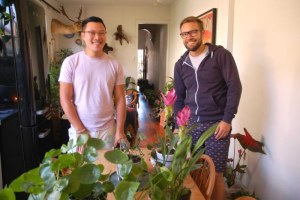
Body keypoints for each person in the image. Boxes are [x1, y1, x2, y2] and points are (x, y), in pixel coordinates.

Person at [173, 16, 242, 200]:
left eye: (193, 32)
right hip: (192, 125)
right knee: (194, 170)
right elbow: (179, 97)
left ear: (202, 33)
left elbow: (234, 87)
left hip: (216, 126)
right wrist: (178, 125)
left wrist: (227, 119)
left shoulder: (220, 55)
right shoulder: (181, 65)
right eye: (185, 33)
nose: (189, 37)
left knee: (216, 173)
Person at [59, 16, 128, 149]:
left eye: (101, 33)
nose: (97, 37)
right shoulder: (71, 62)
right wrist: (80, 130)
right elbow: (65, 99)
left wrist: (119, 131)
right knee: (78, 169)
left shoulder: (115, 64)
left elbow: (120, 99)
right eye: (92, 32)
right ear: (83, 35)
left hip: (107, 131)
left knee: (107, 169)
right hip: (79, 131)